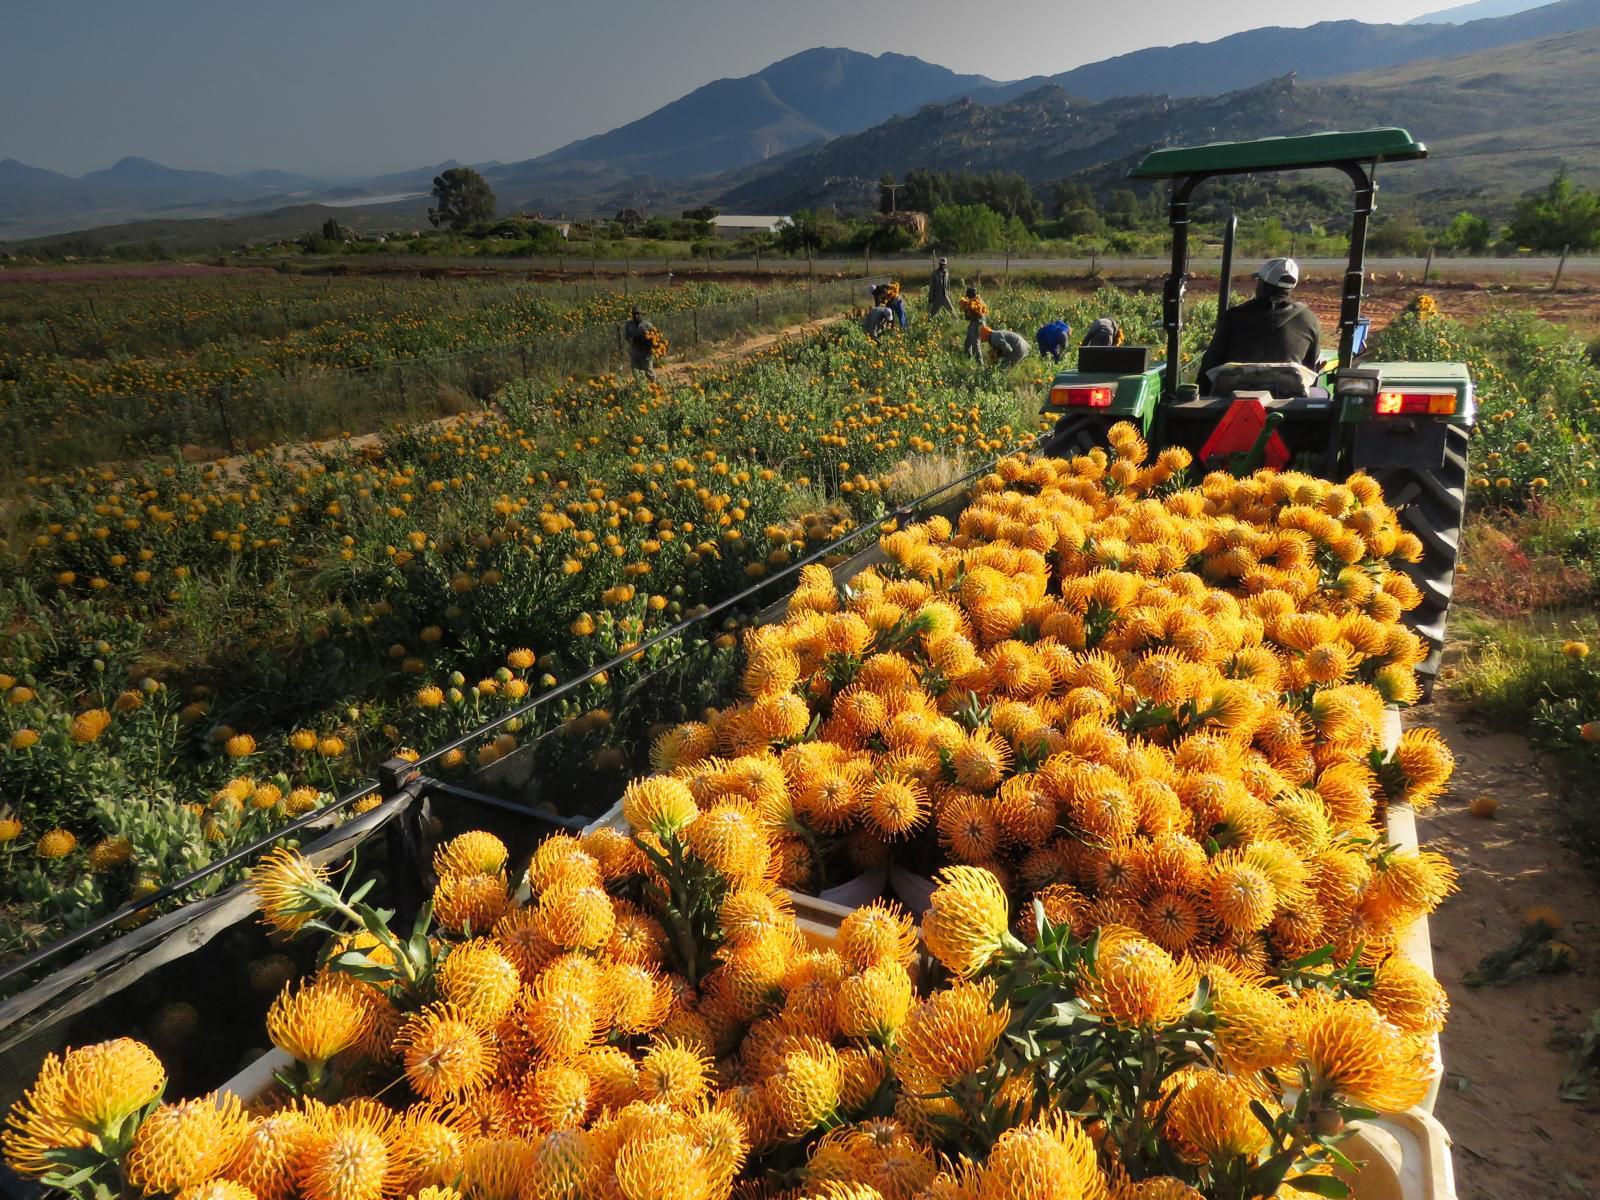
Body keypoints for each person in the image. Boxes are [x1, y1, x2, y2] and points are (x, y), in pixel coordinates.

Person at [1197, 257, 1322, 393]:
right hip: (1288, 403)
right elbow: (1310, 368)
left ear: (1262, 284)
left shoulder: (1233, 317)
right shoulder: (1309, 319)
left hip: (1231, 399)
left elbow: (1210, 364)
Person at [623, 306, 658, 382]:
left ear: (641, 314)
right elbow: (626, 337)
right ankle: (641, 388)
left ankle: (655, 386)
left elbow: (655, 337)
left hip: (646, 352)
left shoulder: (647, 325)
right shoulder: (629, 325)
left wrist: (648, 343)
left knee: (649, 372)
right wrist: (633, 340)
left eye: (638, 313)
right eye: (634, 314)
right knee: (636, 372)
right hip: (635, 351)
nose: (636, 316)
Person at [961, 287, 987, 362]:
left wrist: (968, 313)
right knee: (967, 343)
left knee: (975, 345)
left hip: (977, 325)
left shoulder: (976, 302)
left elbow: (978, 315)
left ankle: (980, 364)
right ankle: (968, 359)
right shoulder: (977, 300)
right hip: (974, 324)